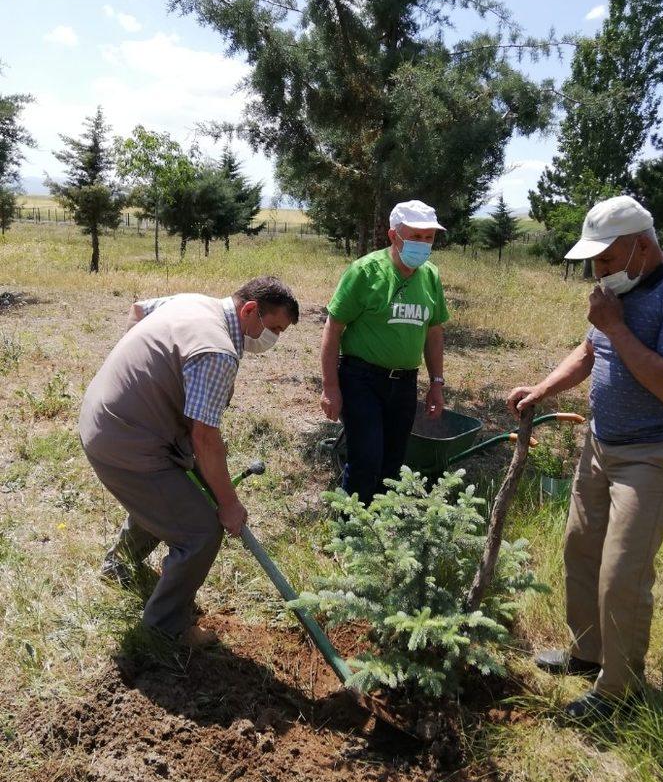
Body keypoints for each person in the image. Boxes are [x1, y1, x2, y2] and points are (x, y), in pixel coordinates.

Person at [506, 196, 663, 721]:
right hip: (601, 443)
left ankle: (619, 692)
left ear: (641, 245)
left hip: (653, 456)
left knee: (623, 573)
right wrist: (542, 389)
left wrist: (616, 326)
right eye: (593, 261)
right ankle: (587, 653)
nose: (598, 272)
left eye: (605, 258)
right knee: (580, 550)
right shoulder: (616, 291)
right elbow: (588, 353)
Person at [79, 277, 299, 648]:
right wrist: (229, 504)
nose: (272, 339)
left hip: (102, 415)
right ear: (249, 310)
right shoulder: (217, 351)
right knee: (201, 532)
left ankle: (119, 568)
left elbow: (138, 310)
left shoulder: (193, 301)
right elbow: (204, 439)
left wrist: (140, 382)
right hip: (125, 441)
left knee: (173, 497)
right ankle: (165, 628)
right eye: (273, 328)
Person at [320, 200, 450, 504]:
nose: (423, 243)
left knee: (393, 461)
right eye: (415, 236)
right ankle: (350, 522)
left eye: (429, 237)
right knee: (366, 458)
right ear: (394, 235)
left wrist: (437, 383)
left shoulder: (430, 276)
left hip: (404, 383)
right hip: (361, 379)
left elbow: (434, 333)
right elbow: (333, 328)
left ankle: (381, 523)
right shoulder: (365, 272)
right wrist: (330, 387)